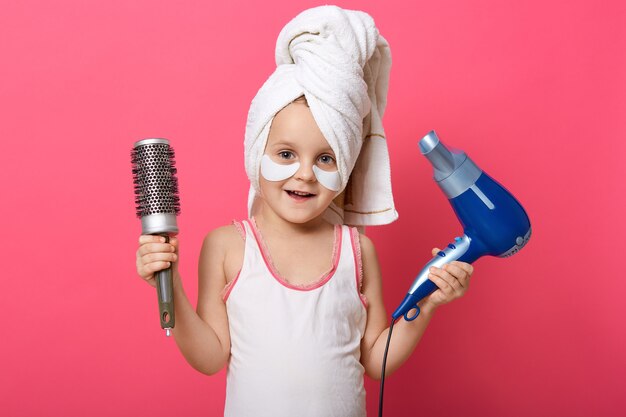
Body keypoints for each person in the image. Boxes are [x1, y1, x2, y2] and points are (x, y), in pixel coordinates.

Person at [135, 6, 473, 417]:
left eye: (326, 159)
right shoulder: (227, 247)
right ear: (256, 153)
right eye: (286, 153)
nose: (305, 174)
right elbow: (210, 356)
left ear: (346, 170)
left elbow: (375, 359)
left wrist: (429, 304)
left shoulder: (356, 251)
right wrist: (166, 286)